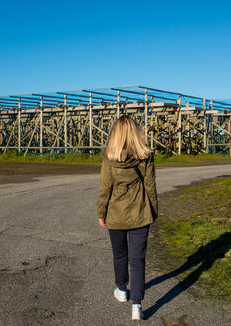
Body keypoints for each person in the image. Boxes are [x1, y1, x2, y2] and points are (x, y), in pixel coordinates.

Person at [97, 115, 158, 321]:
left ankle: (122, 290)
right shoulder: (145, 156)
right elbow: (150, 186)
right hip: (140, 213)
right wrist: (154, 210)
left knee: (120, 255)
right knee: (138, 259)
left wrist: (101, 213)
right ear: (135, 132)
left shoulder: (109, 157)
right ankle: (137, 306)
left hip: (116, 214)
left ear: (115, 134)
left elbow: (105, 188)